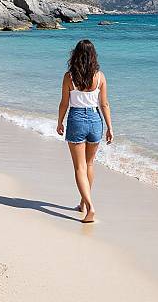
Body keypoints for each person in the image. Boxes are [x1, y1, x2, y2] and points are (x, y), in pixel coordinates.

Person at [57, 39, 113, 223]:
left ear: (76, 55)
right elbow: (104, 104)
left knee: (79, 167)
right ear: (93, 56)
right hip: (96, 120)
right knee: (89, 165)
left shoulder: (69, 77)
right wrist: (110, 128)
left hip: (77, 119)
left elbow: (64, 102)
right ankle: (82, 203)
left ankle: (90, 207)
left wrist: (60, 122)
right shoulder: (100, 77)